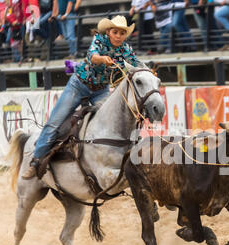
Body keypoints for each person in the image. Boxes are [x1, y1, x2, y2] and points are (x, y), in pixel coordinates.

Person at [22, 15, 141, 179]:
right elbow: (93, 56)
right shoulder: (99, 40)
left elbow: (137, 65)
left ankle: (109, 157)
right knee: (55, 122)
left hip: (101, 90)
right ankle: (36, 161)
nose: (119, 36)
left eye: (122, 33)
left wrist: (147, 72)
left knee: (111, 122)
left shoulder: (126, 50)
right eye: (115, 32)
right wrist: (102, 59)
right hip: (79, 86)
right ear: (108, 32)